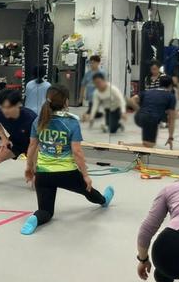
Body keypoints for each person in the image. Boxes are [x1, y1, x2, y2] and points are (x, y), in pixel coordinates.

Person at [20, 84, 114, 235]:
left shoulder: (38, 120)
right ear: (65, 102)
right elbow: (77, 152)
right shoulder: (71, 122)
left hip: (43, 174)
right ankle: (103, 200)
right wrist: (85, 175)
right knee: (88, 191)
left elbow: (31, 146)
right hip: (67, 173)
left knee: (46, 211)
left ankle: (35, 218)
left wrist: (29, 168)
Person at [129, 75, 177, 148]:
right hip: (150, 119)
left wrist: (139, 110)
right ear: (170, 86)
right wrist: (170, 137)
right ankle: (123, 146)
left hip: (138, 118)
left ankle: (139, 153)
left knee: (148, 141)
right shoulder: (170, 96)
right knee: (148, 145)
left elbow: (132, 100)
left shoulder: (148, 91)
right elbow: (171, 119)